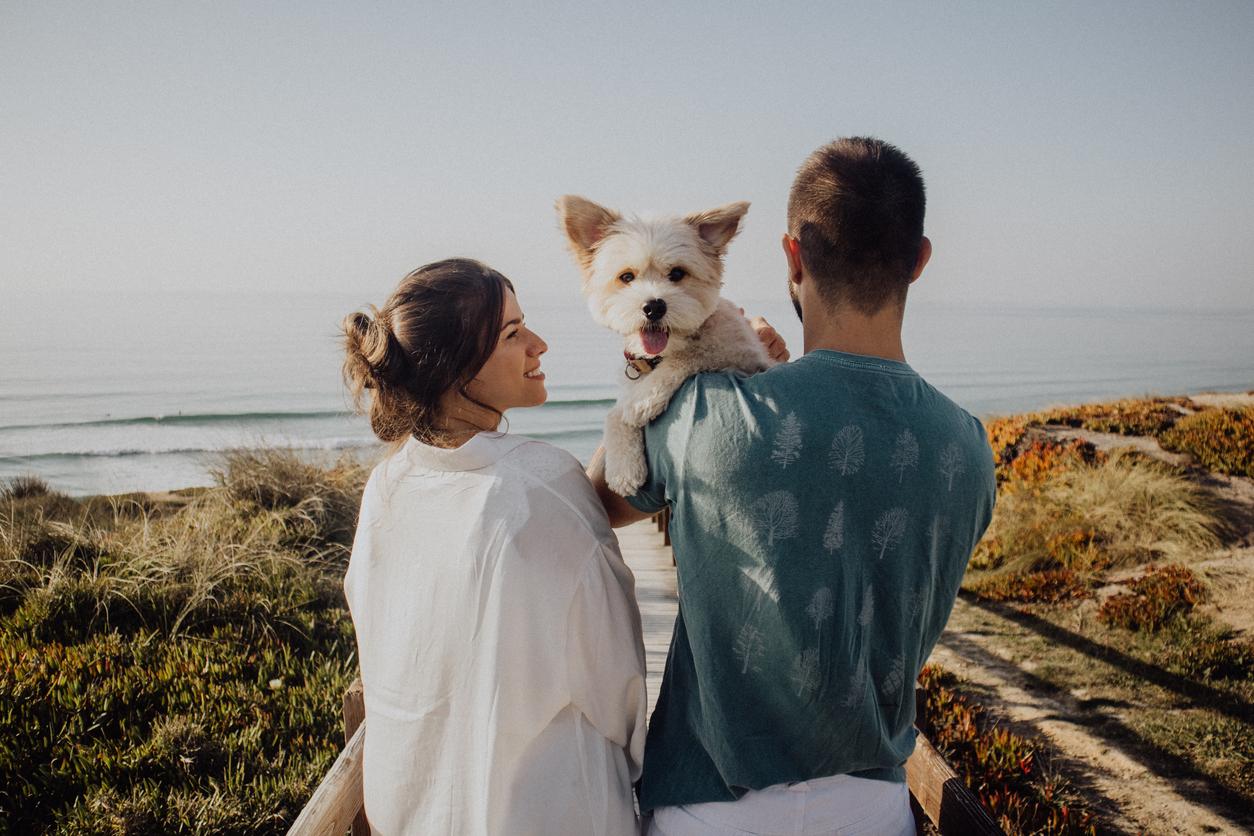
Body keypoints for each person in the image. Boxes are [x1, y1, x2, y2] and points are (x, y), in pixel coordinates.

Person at [591, 137, 997, 835]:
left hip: (709, 806)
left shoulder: (704, 409)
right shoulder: (970, 446)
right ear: (920, 260)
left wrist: (654, 364)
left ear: (792, 257)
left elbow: (597, 504)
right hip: (873, 808)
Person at [341, 258, 647, 836]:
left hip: (417, 812)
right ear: (456, 368)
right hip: (551, 811)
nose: (539, 344)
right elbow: (619, 682)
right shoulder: (542, 483)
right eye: (512, 334)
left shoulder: (386, 488)